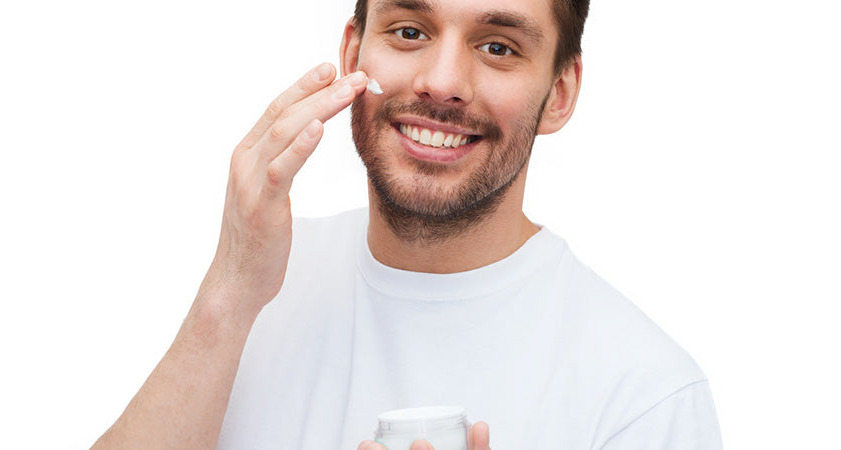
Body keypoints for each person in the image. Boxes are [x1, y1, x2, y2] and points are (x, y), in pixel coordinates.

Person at [92, 0, 723, 448]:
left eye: (498, 47)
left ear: (559, 91)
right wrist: (227, 293)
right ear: (351, 52)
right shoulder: (254, 288)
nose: (442, 82)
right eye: (409, 31)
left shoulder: (645, 397)